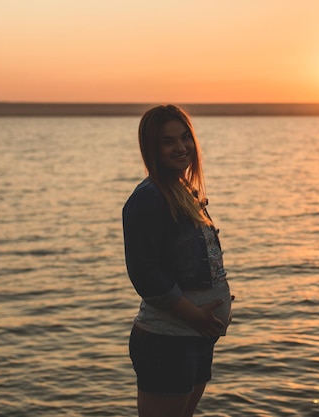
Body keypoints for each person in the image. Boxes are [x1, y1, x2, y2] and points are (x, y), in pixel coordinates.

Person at [122, 104, 232, 417]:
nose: (181, 147)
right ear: (152, 148)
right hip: (167, 340)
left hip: (196, 337)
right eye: (168, 141)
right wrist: (196, 315)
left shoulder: (184, 191)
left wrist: (219, 300)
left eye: (185, 138)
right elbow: (145, 275)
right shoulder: (148, 198)